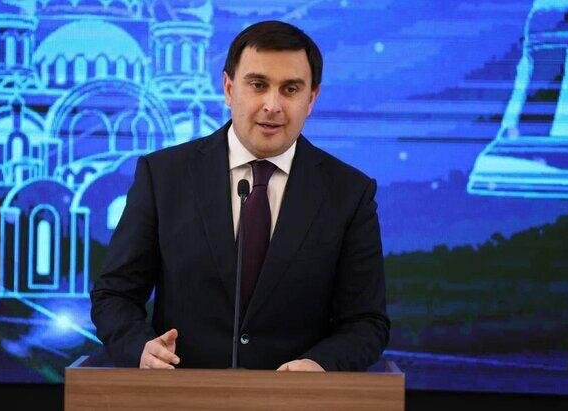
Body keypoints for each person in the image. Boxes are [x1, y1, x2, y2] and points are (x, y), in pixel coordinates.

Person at [90, 20, 389, 372]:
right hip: (182, 391)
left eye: (290, 89)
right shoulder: (164, 176)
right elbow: (115, 295)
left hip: (295, 398)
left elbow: (366, 321)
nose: (272, 105)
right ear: (229, 89)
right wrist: (141, 348)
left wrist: (320, 364)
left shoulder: (349, 193)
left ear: (311, 99)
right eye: (258, 85)